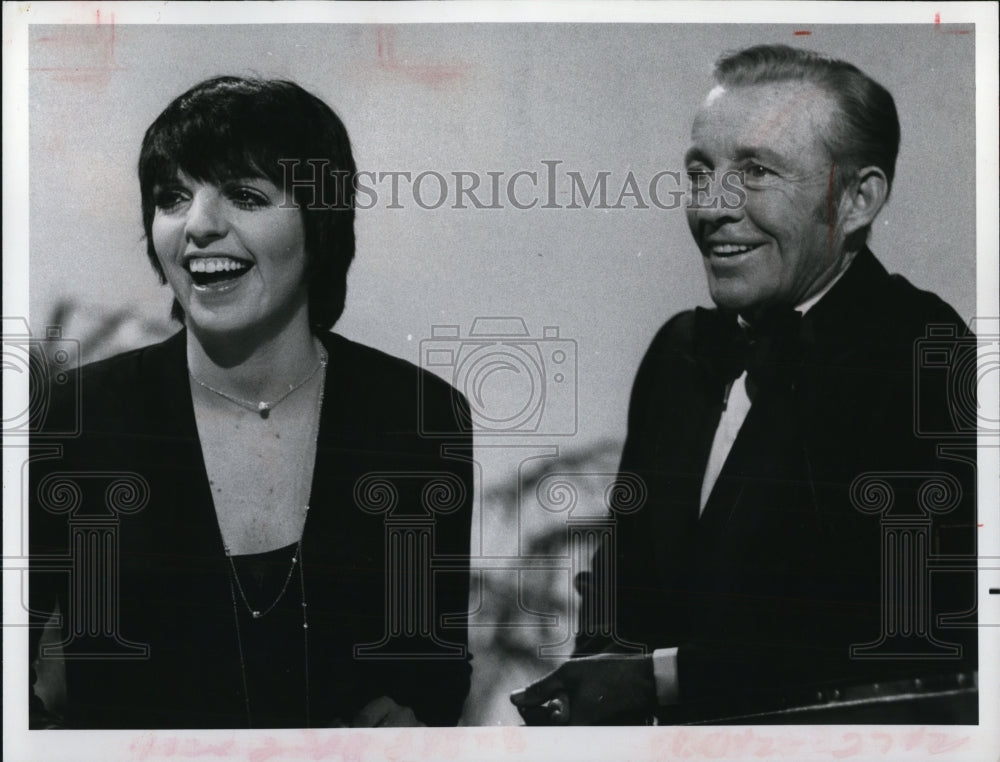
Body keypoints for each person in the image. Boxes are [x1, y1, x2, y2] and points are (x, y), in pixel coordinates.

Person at [511, 44, 977, 724]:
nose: (713, 208)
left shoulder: (925, 354)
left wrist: (655, 681)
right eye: (701, 172)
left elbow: (902, 638)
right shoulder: (679, 354)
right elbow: (621, 587)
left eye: (756, 171)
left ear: (857, 198)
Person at [29, 76, 474, 729]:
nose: (199, 226)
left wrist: (410, 719)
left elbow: (435, 673)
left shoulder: (420, 418)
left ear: (318, 223)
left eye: (244, 194)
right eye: (172, 198)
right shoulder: (75, 420)